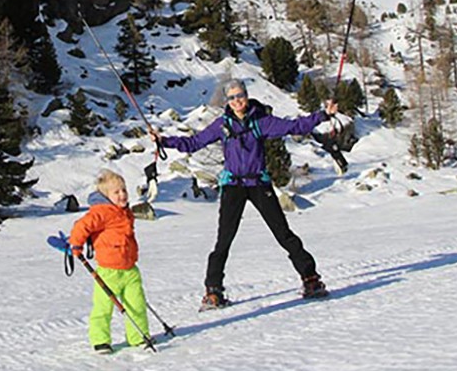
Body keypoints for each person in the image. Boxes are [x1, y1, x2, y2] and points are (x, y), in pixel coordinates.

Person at [150, 79, 336, 309]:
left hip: (259, 183)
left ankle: (311, 279)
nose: (237, 101)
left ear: (246, 96)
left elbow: (294, 126)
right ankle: (213, 291)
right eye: (232, 97)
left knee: (283, 234)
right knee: (224, 240)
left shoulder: (261, 121)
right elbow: (194, 142)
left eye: (241, 95)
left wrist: (322, 115)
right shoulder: (222, 125)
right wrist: (164, 141)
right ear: (227, 101)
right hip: (233, 186)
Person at [69, 169, 150, 354]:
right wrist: (76, 244)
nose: (122, 195)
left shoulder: (125, 212)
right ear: (106, 196)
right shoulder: (101, 212)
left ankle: (139, 336)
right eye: (116, 192)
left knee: (136, 305)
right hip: (108, 271)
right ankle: (100, 340)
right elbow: (82, 226)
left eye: (124, 190)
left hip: (130, 269)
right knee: (103, 307)